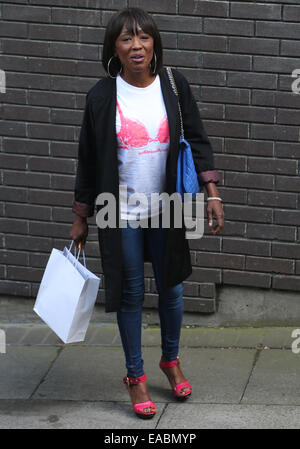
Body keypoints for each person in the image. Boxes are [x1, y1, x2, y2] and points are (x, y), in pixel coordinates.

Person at [69, 7, 224, 419]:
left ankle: (170, 362)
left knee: (172, 287)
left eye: (143, 37)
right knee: (132, 293)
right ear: (114, 49)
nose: (136, 46)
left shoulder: (174, 86)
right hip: (117, 209)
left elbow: (197, 137)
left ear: (154, 42)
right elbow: (87, 159)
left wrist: (212, 193)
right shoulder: (102, 96)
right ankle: (135, 377)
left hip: (169, 205)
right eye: (126, 39)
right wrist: (81, 216)